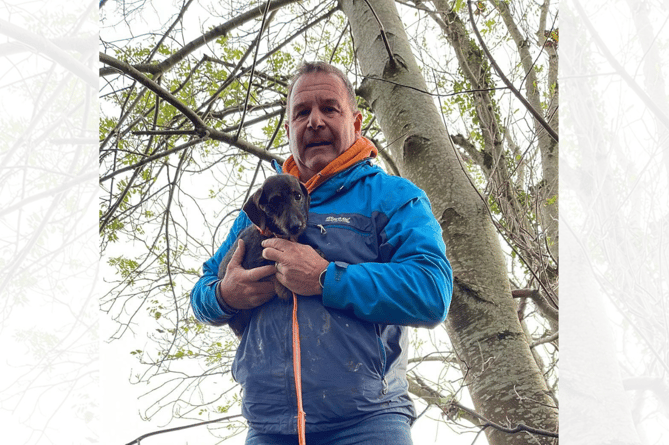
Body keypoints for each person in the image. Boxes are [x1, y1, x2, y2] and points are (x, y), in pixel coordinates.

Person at [191, 61, 453, 445]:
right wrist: (224, 295)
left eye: (329, 108)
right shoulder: (260, 209)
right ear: (289, 129)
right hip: (268, 430)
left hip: (367, 426)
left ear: (356, 122)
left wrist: (327, 278)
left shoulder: (394, 197)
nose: (314, 121)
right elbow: (201, 296)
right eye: (301, 112)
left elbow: (432, 292)